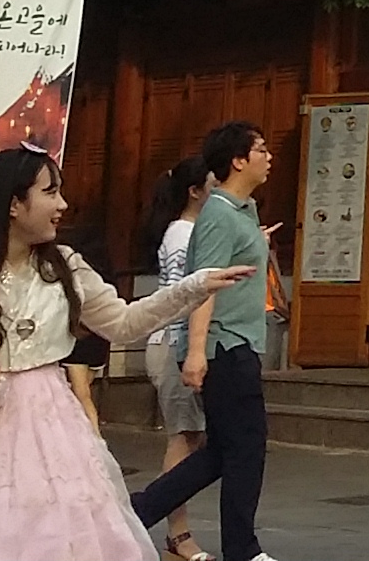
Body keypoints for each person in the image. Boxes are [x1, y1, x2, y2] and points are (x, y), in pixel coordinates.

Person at [0, 146, 249, 561]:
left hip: (54, 430)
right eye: (50, 192)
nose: (63, 205)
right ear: (13, 204)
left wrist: (194, 286)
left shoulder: (65, 267)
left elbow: (123, 322)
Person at [133, 120, 285, 561]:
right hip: (224, 345)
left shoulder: (242, 210)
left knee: (221, 451)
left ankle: (136, 511)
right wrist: (196, 352)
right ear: (237, 160)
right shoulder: (218, 214)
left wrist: (255, 242)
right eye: (260, 149)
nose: (268, 157)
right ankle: (242, 548)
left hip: (240, 342)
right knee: (246, 448)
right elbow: (204, 286)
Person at [142, 155, 215, 561]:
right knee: (183, 437)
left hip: (173, 342)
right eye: (213, 184)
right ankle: (177, 533)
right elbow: (187, 295)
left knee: (190, 436)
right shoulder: (184, 235)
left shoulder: (186, 231)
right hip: (173, 342)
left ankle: (173, 528)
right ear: (195, 191)